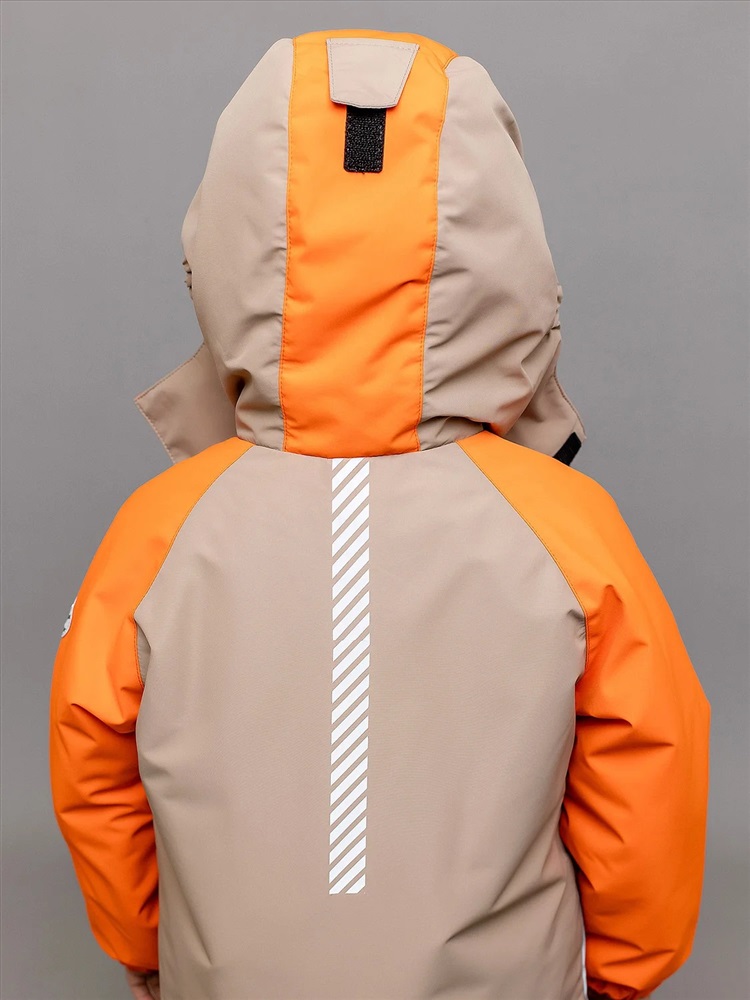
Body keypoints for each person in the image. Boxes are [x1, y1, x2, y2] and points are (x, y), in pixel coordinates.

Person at [49, 28, 711, 1000]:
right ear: (508, 252)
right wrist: (617, 975)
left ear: (225, 242)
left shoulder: (158, 531)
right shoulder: (568, 528)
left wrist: (159, 950)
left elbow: (93, 774)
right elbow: (647, 772)